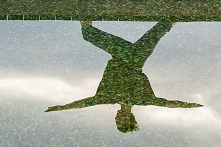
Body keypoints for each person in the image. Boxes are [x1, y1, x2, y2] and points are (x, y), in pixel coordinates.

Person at [45, 21, 201, 133]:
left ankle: (171, 20)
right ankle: (85, 16)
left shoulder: (107, 98)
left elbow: (83, 104)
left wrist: (62, 108)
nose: (117, 118)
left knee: (158, 31)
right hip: (128, 56)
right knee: (89, 33)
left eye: (116, 121)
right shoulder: (141, 100)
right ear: (130, 117)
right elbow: (168, 104)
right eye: (121, 120)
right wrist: (188, 105)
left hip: (133, 56)